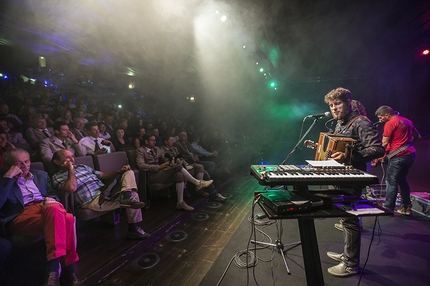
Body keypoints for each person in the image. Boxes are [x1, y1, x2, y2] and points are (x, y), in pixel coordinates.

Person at [324, 87, 385, 277]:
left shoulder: (361, 123)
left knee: (350, 220)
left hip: (354, 177)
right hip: (342, 175)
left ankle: (351, 264)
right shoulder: (341, 124)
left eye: (338, 104)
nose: (334, 108)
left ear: (349, 102)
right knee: (345, 218)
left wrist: (349, 155)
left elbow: (377, 149)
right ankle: (346, 255)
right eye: (332, 105)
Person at [0, 148, 80, 285]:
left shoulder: (41, 175)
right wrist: (8, 178)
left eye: (27, 161)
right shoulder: (4, 180)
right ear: (9, 166)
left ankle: (53, 273)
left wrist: (51, 199)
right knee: (67, 219)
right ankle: (66, 270)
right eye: (18, 164)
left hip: (45, 208)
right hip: (21, 214)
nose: (25, 166)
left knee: (56, 210)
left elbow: (52, 192)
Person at [51, 149, 150, 240]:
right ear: (57, 162)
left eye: (72, 156)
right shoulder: (56, 177)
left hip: (105, 191)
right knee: (134, 196)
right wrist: (71, 170)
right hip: (92, 200)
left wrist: (120, 171)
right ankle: (133, 228)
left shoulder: (82, 166)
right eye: (67, 157)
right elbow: (71, 188)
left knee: (129, 172)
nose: (72, 159)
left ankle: (126, 196)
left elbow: (102, 175)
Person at [136, 134, 214, 211]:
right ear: (146, 141)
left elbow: (165, 158)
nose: (154, 142)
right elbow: (141, 165)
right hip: (151, 175)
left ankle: (180, 203)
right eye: (152, 140)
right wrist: (158, 167)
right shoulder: (140, 150)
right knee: (177, 167)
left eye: (154, 140)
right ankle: (197, 183)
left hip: (161, 172)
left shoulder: (156, 149)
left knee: (179, 175)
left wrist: (172, 161)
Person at [374, 105, 416, 215]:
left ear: (387, 115)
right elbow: (412, 137)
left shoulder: (390, 123)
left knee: (391, 181)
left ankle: (388, 207)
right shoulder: (407, 121)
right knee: (402, 180)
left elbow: (384, 143)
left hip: (399, 156)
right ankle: (406, 207)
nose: (380, 120)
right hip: (410, 154)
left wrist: (377, 156)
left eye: (381, 117)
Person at [160, 135, 226, 201]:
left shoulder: (175, 148)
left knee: (203, 167)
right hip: (178, 167)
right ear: (166, 141)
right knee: (205, 173)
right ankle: (212, 193)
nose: (173, 141)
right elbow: (168, 161)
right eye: (171, 140)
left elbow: (181, 157)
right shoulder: (162, 150)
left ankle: (200, 187)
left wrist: (195, 156)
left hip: (185, 164)